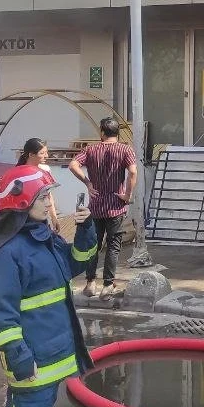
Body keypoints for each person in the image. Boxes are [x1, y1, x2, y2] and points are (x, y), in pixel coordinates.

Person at [0, 165, 97, 407]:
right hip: (34, 363)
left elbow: (77, 261)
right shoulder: (8, 253)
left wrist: (86, 227)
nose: (49, 203)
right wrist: (21, 359)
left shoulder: (44, 237)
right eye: (43, 197)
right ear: (22, 201)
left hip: (51, 356)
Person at [68, 117, 138, 298]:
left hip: (96, 206)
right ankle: (107, 285)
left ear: (102, 132)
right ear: (117, 132)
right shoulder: (125, 149)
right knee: (114, 246)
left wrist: (87, 182)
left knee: (94, 246)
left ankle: (90, 283)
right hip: (116, 205)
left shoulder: (91, 149)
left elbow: (73, 164)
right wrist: (127, 195)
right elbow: (132, 172)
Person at [18, 137, 59, 231]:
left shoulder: (45, 170)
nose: (46, 156)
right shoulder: (20, 173)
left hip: (41, 218)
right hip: (24, 220)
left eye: (46, 152)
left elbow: (48, 195)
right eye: (42, 153)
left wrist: (54, 217)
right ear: (31, 154)